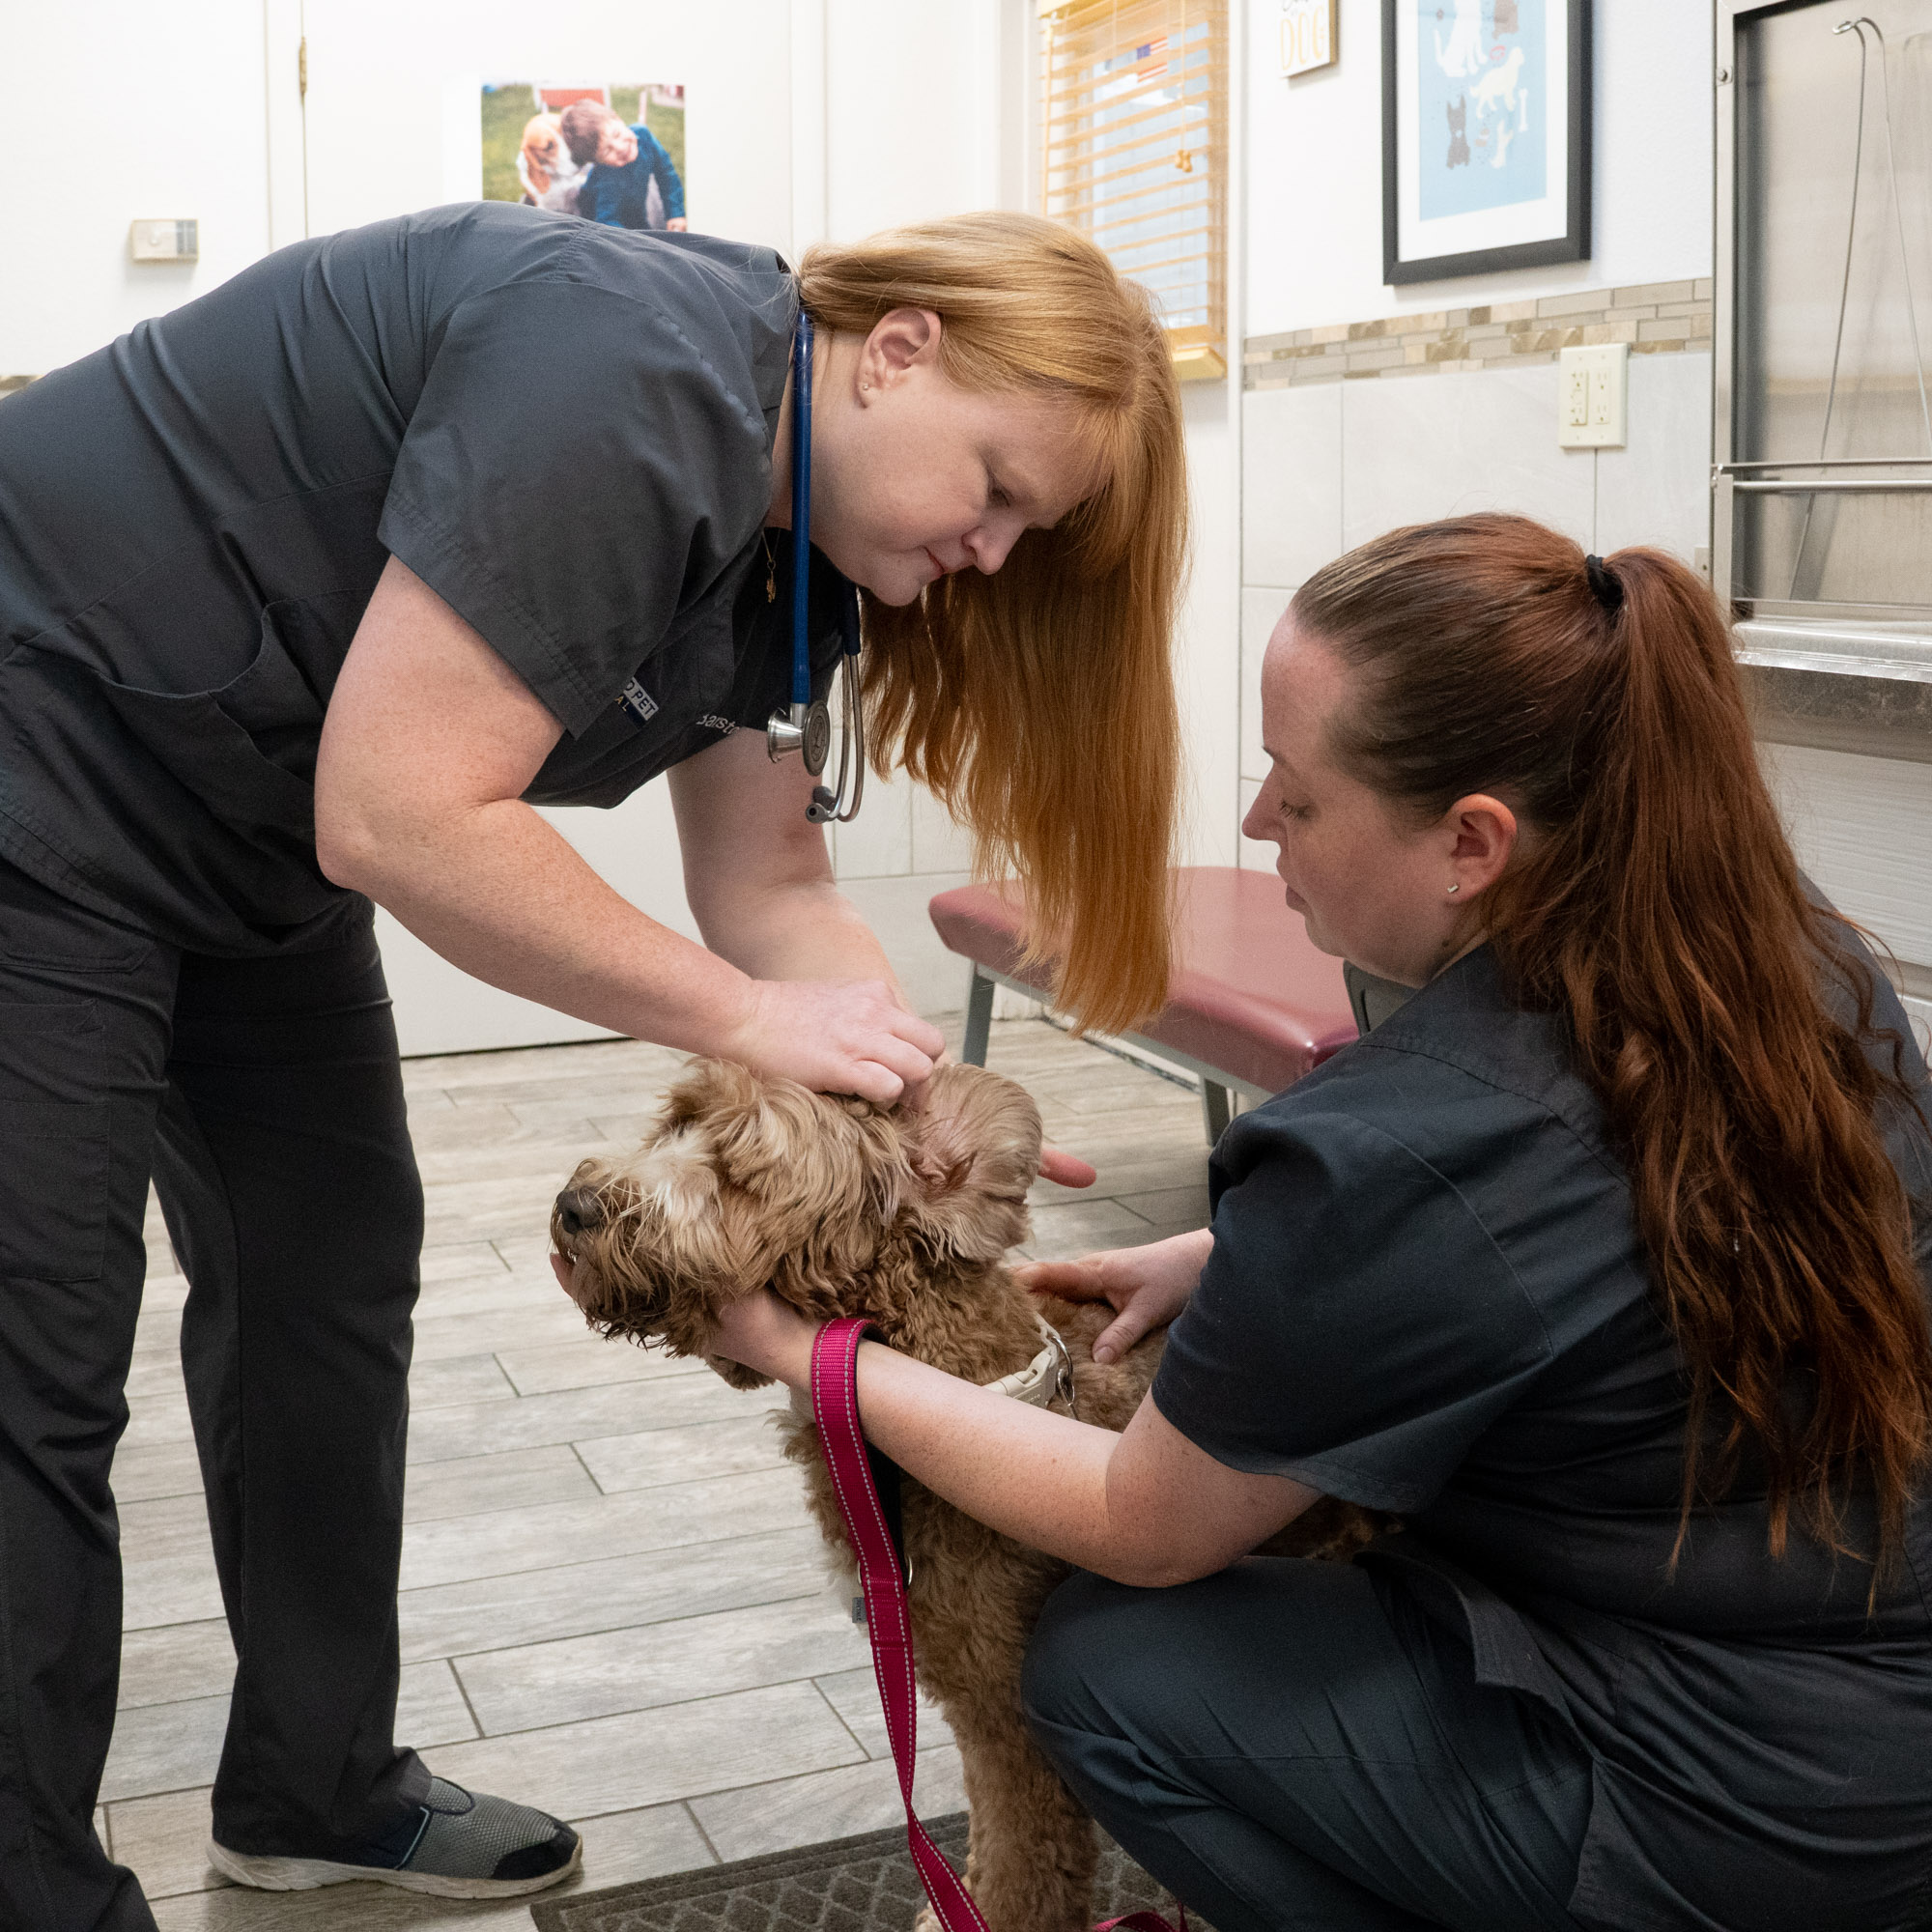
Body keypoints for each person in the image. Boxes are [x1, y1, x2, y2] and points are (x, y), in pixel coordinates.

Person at [0, 201, 1183, 1930]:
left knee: (326, 1286)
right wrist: (742, 1023)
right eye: (997, 488)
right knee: (35, 1350)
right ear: (902, 347)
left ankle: (317, 1789)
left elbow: (773, 890)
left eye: (1029, 527)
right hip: (45, 733)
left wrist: (895, 1086)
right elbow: (405, 807)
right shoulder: (624, 368)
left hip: (252, 826)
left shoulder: (806, 564)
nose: (996, 553)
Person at [703, 513, 1932, 1932]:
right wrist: (1236, 1256)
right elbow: (1603, 1218)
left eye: (1295, 797)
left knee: (1111, 1666)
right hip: (1868, 1696)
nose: (1253, 827)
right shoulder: (1799, 964)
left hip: (1725, 1805)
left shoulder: (1392, 1149)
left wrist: (814, 1358)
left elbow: (1141, 1522)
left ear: (1474, 842)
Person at [561, 99, 687, 231]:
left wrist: (675, 214)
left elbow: (666, 174)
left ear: (618, 119)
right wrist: (632, 240)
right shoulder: (607, 179)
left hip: (635, 207)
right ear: (598, 162)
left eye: (617, 134)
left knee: (642, 225)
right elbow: (606, 220)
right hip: (594, 217)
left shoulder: (643, 136)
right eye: (607, 151)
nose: (620, 148)